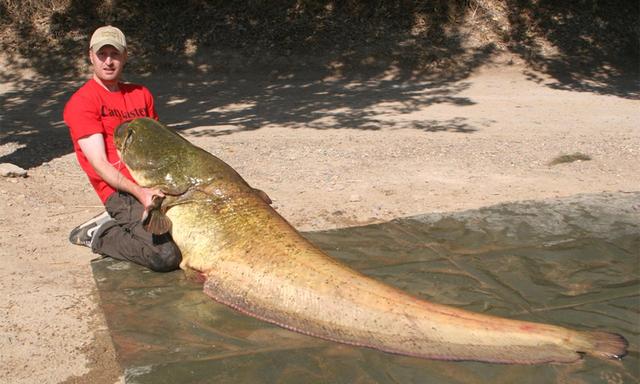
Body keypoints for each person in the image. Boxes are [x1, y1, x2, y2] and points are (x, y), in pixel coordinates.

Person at [64, 25, 181, 272]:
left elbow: (162, 148)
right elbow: (100, 165)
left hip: (152, 181)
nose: (108, 61)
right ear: (91, 56)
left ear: (125, 56)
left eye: (114, 54)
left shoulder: (141, 94)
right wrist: (141, 193)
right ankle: (101, 233)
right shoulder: (82, 102)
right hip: (120, 192)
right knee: (166, 255)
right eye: (102, 54)